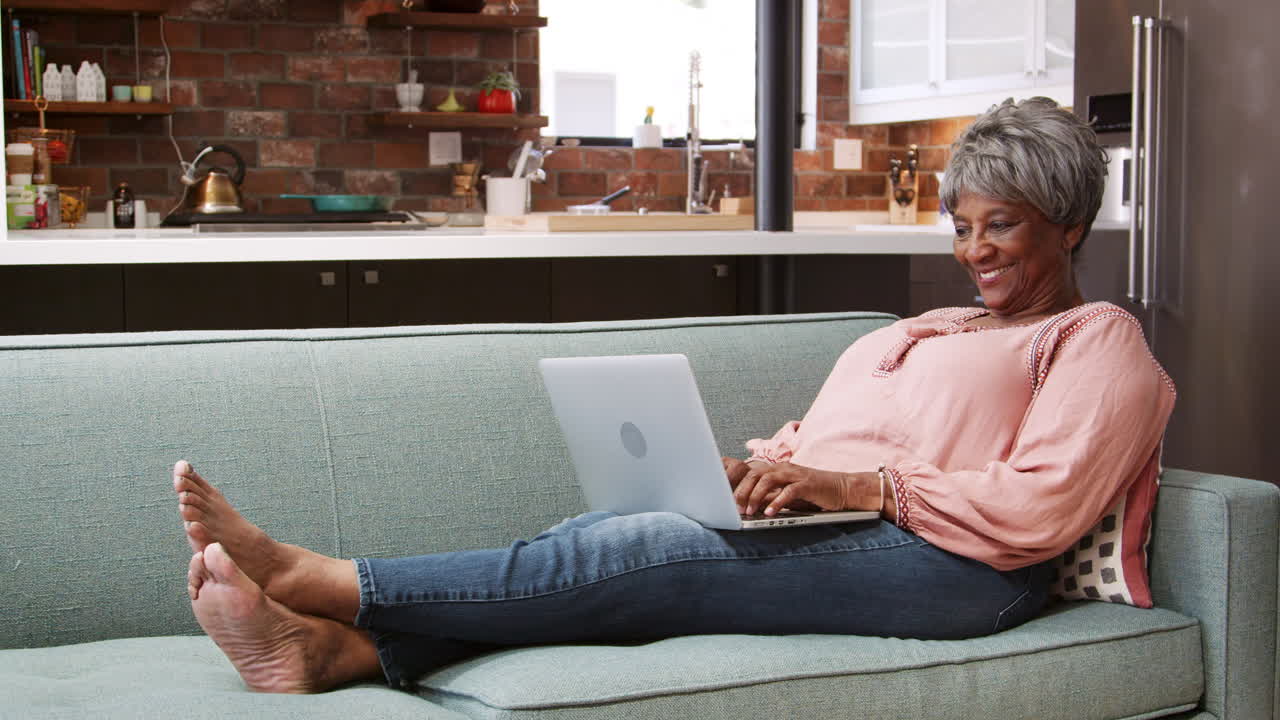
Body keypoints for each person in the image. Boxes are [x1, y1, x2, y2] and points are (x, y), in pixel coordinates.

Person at [174, 97, 1176, 694]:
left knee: (641, 552)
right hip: (863, 530)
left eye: (998, 226)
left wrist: (859, 490)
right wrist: (774, 471)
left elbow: (1036, 509)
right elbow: (836, 435)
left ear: (1067, 224)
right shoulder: (933, 326)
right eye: (959, 227)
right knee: (614, 534)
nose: (972, 252)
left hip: (961, 569)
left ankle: (326, 581)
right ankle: (336, 654)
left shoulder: (1094, 340)